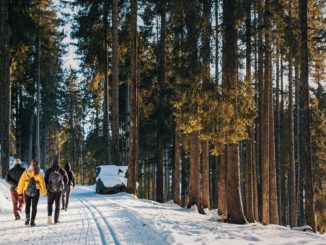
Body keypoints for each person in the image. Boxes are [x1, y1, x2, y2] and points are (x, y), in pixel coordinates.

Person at [17, 159, 47, 227]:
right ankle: (32, 221)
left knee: (27, 205)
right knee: (34, 207)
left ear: (31, 164)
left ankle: (27, 218)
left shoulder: (26, 172)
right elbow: (42, 183)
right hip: (36, 191)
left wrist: (20, 192)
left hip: (26, 191)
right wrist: (44, 192)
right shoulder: (39, 173)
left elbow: (21, 182)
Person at [45, 159, 68, 224]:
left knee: (50, 204)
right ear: (58, 163)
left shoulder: (48, 170)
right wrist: (62, 186)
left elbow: (45, 181)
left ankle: (49, 219)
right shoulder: (61, 170)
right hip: (59, 190)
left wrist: (47, 188)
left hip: (50, 190)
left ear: (52, 163)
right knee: (57, 205)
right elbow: (67, 180)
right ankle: (56, 220)